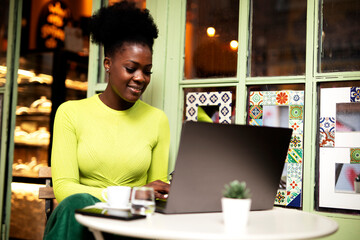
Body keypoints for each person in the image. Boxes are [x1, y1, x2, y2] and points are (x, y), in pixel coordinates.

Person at [44, 2, 170, 239]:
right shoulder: (70, 113)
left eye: (147, 71)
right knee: (77, 201)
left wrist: (147, 195)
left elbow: (154, 194)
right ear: (108, 64)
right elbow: (64, 190)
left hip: (128, 227)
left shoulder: (157, 120)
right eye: (131, 68)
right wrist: (132, 193)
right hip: (80, 221)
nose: (140, 78)